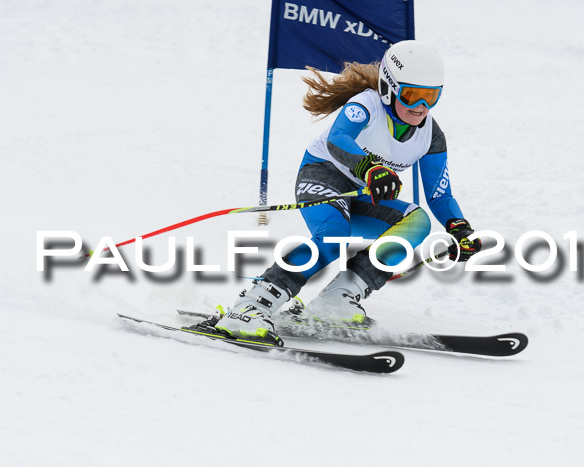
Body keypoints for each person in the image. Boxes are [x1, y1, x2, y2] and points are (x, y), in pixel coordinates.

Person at [198, 40, 481, 345]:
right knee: (334, 235)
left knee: (417, 221)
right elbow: (338, 138)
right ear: (388, 87)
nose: (421, 107)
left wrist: (459, 227)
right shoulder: (366, 105)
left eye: (431, 97)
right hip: (322, 174)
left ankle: (337, 298)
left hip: (361, 193)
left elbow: (439, 194)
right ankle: (250, 307)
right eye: (412, 96)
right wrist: (369, 169)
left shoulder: (430, 135)